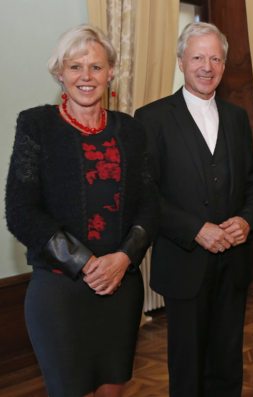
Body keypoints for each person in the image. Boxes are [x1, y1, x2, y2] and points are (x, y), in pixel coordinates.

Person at [5, 25, 158, 397]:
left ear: (110, 73)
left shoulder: (132, 130)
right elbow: (21, 211)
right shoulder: (36, 124)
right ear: (60, 73)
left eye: (96, 67)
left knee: (112, 389)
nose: (86, 77)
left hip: (121, 286)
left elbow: (150, 204)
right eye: (75, 67)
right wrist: (87, 263)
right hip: (60, 289)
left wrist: (123, 258)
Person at [134, 22, 253, 397]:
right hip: (183, 262)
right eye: (197, 58)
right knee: (187, 368)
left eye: (215, 58)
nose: (207, 66)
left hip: (234, 264)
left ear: (223, 66)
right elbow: (146, 194)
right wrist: (195, 229)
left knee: (227, 363)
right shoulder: (152, 118)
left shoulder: (238, 118)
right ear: (180, 62)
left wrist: (246, 219)